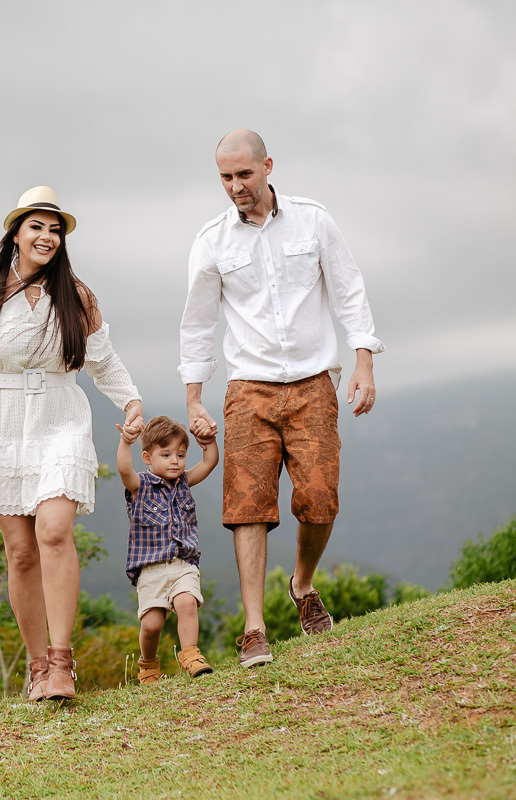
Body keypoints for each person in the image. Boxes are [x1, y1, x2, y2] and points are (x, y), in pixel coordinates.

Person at [0, 186, 143, 701]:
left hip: (62, 415)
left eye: (55, 229)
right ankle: (38, 666)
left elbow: (103, 360)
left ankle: (63, 663)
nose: (46, 237)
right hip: (1, 420)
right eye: (36, 227)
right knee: (21, 553)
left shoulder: (77, 294)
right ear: (16, 234)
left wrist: (131, 402)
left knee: (54, 531)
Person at [178, 130, 385, 668]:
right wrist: (194, 398)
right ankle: (254, 628)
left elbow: (349, 288)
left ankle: (302, 584)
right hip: (248, 388)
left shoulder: (314, 220)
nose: (235, 186)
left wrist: (363, 361)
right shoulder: (211, 241)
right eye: (225, 177)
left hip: (314, 383)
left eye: (244, 174)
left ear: (267, 166)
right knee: (247, 505)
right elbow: (197, 324)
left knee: (320, 498)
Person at [116, 415, 219, 684]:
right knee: (152, 625)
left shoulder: (184, 482)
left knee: (187, 602)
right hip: (150, 569)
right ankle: (148, 665)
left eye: (180, 455)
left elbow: (209, 462)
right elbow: (124, 470)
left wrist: (208, 440)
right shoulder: (140, 485)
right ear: (147, 458)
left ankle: (191, 654)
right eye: (166, 455)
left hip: (183, 564)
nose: (175, 461)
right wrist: (126, 441)